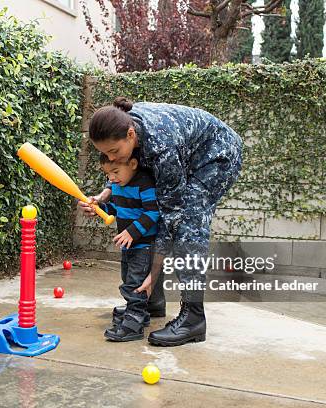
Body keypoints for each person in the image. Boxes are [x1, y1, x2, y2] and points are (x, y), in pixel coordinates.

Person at [79, 97, 242, 347]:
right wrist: (104, 195)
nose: (112, 158)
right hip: (185, 152)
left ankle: (193, 318)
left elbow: (170, 216)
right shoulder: (124, 128)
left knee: (188, 224)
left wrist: (154, 273)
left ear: (131, 135)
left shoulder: (161, 146)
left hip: (217, 155)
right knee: (162, 215)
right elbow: (121, 171)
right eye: (105, 154)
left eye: (114, 152)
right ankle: (152, 302)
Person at [98, 151, 160, 342]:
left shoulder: (144, 183)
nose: (111, 178)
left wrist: (132, 232)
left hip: (143, 244)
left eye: (115, 172)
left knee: (134, 282)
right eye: (108, 174)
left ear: (133, 164)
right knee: (128, 278)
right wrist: (98, 209)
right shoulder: (118, 185)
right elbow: (117, 208)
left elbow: (153, 212)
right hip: (128, 245)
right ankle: (140, 313)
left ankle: (134, 323)